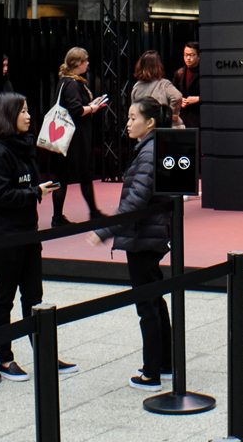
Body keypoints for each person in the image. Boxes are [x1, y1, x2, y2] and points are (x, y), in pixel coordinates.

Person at [0, 92, 78, 381]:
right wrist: (35, 192)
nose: (28, 116)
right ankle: (5, 359)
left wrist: (37, 189)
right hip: (5, 236)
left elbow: (25, 186)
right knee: (5, 297)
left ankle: (44, 354)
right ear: (7, 116)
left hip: (28, 232)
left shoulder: (25, 147)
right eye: (22, 111)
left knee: (34, 296)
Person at [89, 97, 173, 391]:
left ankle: (151, 374)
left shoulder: (148, 152)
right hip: (148, 235)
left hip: (143, 237)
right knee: (155, 300)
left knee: (147, 305)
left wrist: (105, 231)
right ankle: (164, 363)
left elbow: (136, 200)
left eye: (133, 118)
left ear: (150, 122)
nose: (127, 123)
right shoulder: (151, 147)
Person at [50, 47, 107, 227]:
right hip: (74, 139)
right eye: (85, 60)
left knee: (68, 177)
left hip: (68, 137)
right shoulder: (73, 83)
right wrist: (92, 108)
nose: (88, 64)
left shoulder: (65, 81)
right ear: (77, 64)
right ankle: (63, 217)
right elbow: (75, 110)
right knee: (77, 176)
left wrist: (90, 105)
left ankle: (85, 213)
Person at [132, 51, 183, 128]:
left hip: (144, 127)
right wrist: (173, 114)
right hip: (163, 127)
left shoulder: (137, 87)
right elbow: (177, 97)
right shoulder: (164, 84)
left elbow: (134, 109)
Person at [172, 42, 201, 129]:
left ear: (198, 56)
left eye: (191, 55)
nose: (188, 58)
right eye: (186, 55)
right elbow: (172, 93)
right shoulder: (179, 73)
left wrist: (198, 98)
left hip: (198, 116)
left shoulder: (203, 72)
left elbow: (212, 93)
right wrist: (180, 100)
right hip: (182, 117)